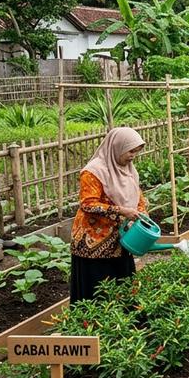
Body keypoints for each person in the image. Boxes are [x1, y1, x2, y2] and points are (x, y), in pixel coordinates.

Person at [70, 127, 147, 303]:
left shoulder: (128, 170)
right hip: (93, 244)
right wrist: (121, 210)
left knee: (123, 287)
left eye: (136, 152)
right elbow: (88, 204)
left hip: (122, 239)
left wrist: (142, 214)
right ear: (117, 147)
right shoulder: (94, 171)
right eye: (130, 151)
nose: (133, 156)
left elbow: (137, 195)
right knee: (97, 290)